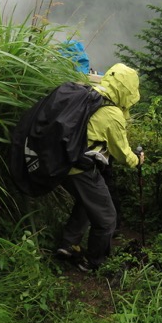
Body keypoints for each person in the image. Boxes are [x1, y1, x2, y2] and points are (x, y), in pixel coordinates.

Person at [55, 63, 144, 271]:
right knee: (106, 218)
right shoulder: (112, 114)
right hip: (82, 169)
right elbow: (122, 155)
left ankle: (68, 244)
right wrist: (138, 160)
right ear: (127, 90)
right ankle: (94, 262)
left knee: (87, 203)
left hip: (63, 162)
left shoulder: (89, 94)